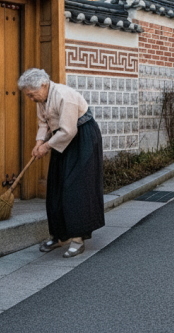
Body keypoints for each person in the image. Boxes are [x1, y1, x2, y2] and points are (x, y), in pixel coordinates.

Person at [17, 68, 105, 258]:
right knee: (56, 186)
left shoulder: (65, 96)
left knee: (75, 187)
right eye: (28, 96)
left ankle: (77, 238)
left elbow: (68, 131)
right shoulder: (42, 98)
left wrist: (46, 146)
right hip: (60, 139)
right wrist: (39, 142)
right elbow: (44, 123)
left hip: (82, 138)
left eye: (32, 94)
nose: (31, 99)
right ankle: (59, 236)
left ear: (43, 85)